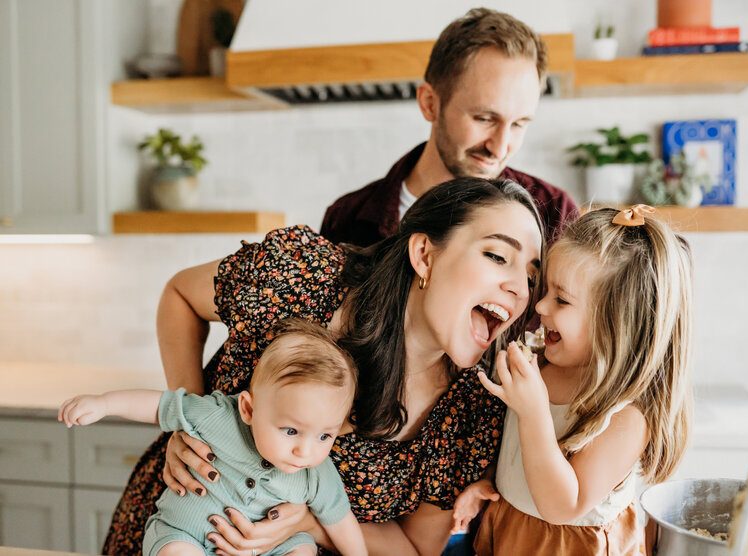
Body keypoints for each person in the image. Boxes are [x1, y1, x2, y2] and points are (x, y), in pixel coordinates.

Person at [102, 177, 545, 555]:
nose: (518, 288)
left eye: (530, 274)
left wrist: (311, 526)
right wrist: (193, 420)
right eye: (497, 256)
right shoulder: (304, 278)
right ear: (424, 255)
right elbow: (180, 296)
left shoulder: (475, 406)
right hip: (174, 526)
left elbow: (413, 549)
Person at [453, 205, 694, 555]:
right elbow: (520, 453)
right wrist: (490, 481)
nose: (541, 307)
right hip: (512, 530)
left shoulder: (625, 415)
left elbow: (563, 505)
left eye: (561, 300)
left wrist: (533, 411)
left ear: (616, 326)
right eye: (545, 290)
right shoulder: (542, 367)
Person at [60, 320, 367, 556]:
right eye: (291, 431)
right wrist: (103, 404)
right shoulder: (219, 416)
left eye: (325, 435)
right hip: (185, 535)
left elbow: (341, 523)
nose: (306, 451)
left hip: (266, 549)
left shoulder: (317, 474)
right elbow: (160, 404)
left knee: (301, 549)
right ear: (248, 409)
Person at [320, 7, 578, 251]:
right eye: (484, 118)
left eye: (519, 123)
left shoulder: (554, 216)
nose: (499, 147)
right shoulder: (346, 220)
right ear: (429, 104)